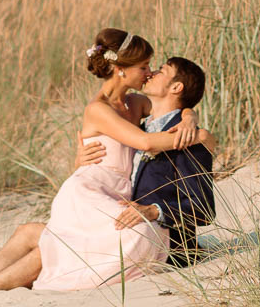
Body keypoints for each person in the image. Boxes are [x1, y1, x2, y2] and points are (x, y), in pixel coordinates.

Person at [0, 30, 213, 303]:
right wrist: (198, 137)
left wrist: (190, 118)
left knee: (29, 233)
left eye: (153, 67)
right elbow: (146, 143)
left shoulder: (136, 103)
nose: (149, 72)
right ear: (121, 68)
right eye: (144, 66)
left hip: (114, 193)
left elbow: (174, 106)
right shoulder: (98, 108)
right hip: (90, 192)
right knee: (55, 244)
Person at [77, 52, 214, 265]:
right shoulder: (138, 131)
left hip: (170, 250)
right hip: (128, 230)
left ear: (176, 87)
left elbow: (204, 208)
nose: (151, 73)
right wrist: (80, 160)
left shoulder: (189, 140)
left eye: (161, 70)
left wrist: (152, 211)